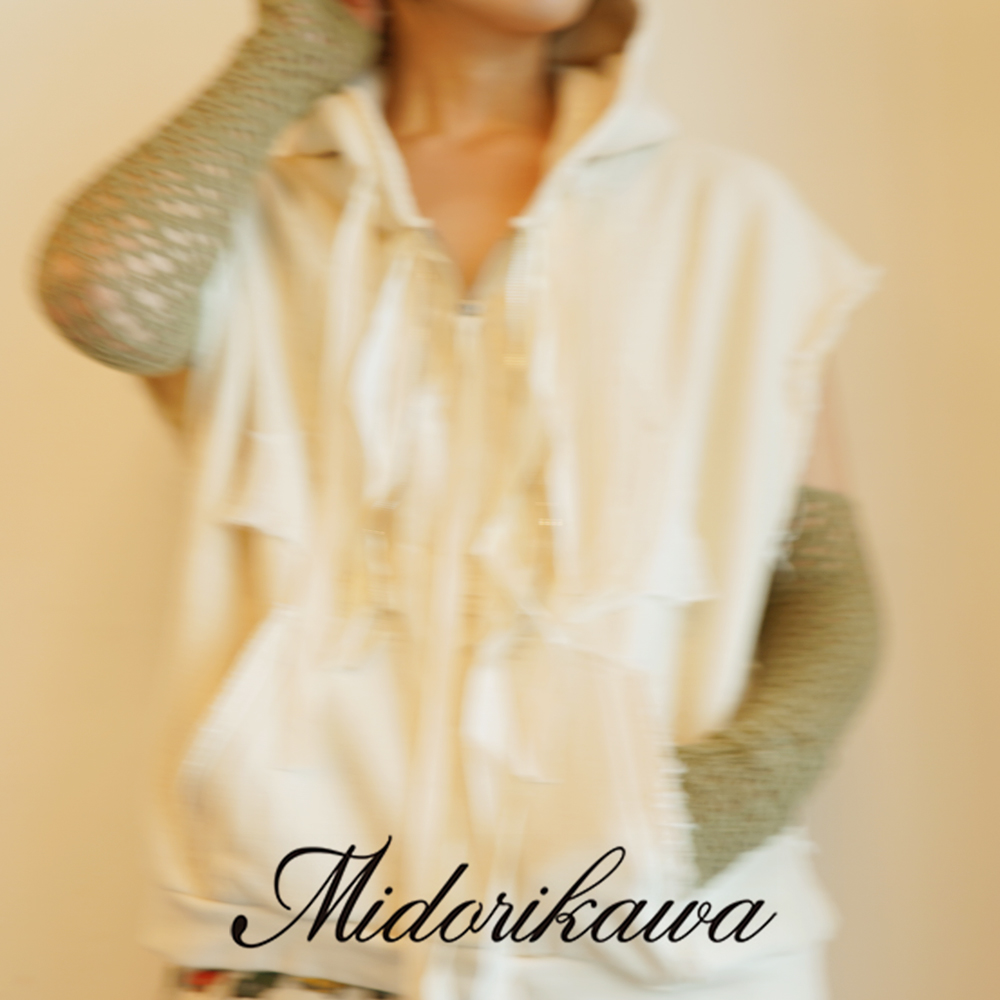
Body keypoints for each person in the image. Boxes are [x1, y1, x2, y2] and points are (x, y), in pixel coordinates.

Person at [34, 0, 881, 998]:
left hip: (648, 956)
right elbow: (101, 296)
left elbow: (825, 586)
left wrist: (684, 817)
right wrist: (294, 49)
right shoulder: (254, 212)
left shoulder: (731, 220)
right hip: (307, 940)